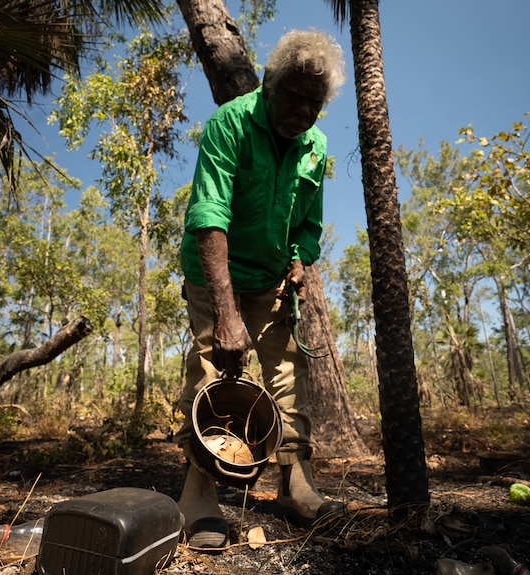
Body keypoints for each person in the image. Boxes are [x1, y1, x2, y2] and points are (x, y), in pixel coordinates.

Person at [175, 29, 347, 550]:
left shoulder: (315, 145)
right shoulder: (230, 123)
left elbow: (308, 221)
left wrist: (299, 257)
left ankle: (295, 486)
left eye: (312, 103)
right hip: (216, 274)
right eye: (293, 95)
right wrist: (227, 314)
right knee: (211, 367)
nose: (301, 110)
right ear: (270, 82)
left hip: (272, 280)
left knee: (290, 373)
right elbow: (209, 218)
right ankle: (197, 493)